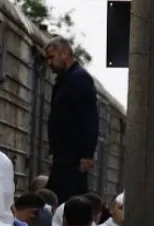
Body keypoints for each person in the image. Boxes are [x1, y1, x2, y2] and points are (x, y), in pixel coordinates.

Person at [44, 37, 100, 205]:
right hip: (64, 155)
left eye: (52, 57)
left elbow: (88, 117)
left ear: (65, 53)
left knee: (67, 200)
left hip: (72, 156)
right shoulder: (64, 81)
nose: (49, 63)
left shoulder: (79, 79)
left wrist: (86, 154)